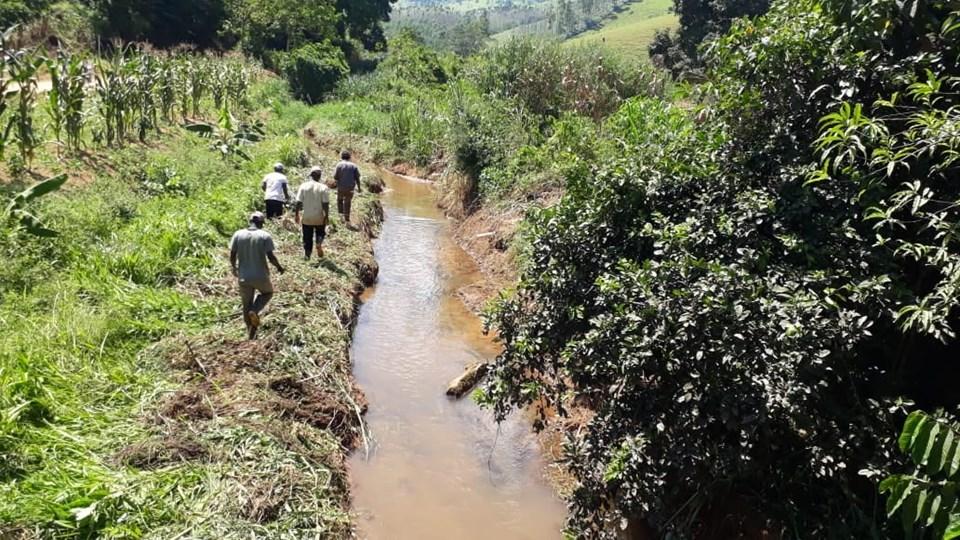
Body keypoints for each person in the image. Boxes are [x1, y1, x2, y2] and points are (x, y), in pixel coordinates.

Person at [230, 212, 285, 339]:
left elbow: (232, 255)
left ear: (250, 221)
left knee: (246, 305)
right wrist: (279, 268)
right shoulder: (264, 236)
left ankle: (251, 334)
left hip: (244, 276)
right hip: (260, 276)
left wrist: (234, 267)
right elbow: (270, 257)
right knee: (267, 293)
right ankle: (255, 310)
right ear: (261, 223)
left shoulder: (238, 234)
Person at [295, 166, 331, 260]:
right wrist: (326, 216)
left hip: (307, 217)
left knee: (307, 237)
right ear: (320, 176)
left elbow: (298, 202)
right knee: (320, 232)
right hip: (319, 217)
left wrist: (296, 214)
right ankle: (319, 243)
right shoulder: (323, 188)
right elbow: (325, 204)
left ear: (311, 175)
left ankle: (307, 255)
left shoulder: (303, 186)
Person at [333, 151, 362, 226]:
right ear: (349, 157)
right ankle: (347, 219)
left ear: (341, 157)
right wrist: (359, 188)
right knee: (348, 203)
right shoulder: (354, 166)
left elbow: (335, 177)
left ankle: (341, 216)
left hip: (341, 187)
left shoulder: (339, 165)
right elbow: (357, 178)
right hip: (350, 188)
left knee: (339, 200)